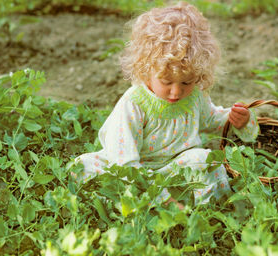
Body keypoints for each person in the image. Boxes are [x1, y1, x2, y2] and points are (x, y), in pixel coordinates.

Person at [73, 2, 259, 208]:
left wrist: (237, 120)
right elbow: (124, 163)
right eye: (166, 82)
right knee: (83, 167)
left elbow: (211, 120)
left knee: (205, 159)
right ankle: (156, 202)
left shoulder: (195, 95)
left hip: (175, 168)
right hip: (135, 170)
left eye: (186, 82)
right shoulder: (133, 104)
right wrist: (163, 199)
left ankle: (208, 210)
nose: (176, 91)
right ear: (145, 70)